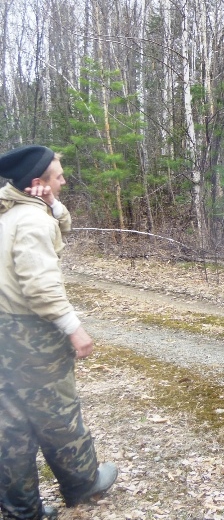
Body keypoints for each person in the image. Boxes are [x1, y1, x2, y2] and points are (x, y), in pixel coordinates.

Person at [0, 145, 117, 520]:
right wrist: (74, 329)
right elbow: (40, 287)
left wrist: (51, 202)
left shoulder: (12, 213)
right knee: (58, 413)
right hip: (29, 332)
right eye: (58, 176)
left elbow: (60, 225)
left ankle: (22, 509)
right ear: (37, 182)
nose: (64, 180)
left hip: (4, 329)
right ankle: (83, 482)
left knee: (11, 423)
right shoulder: (33, 223)